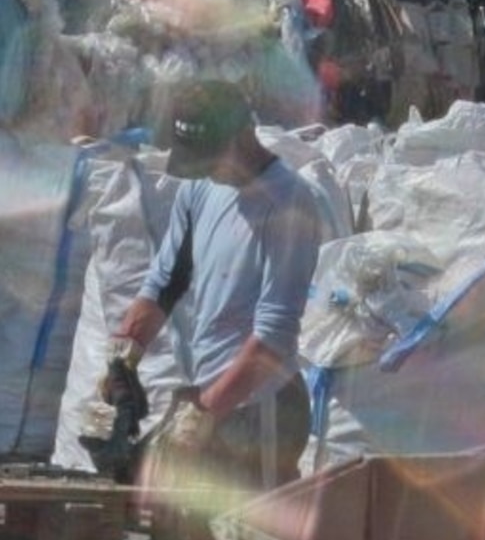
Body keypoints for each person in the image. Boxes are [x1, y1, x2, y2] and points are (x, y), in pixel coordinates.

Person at [99, 80, 327, 512]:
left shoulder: (287, 203)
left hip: (262, 411)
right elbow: (165, 281)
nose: (204, 170)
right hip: (212, 398)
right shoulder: (200, 188)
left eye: (210, 158)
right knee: (184, 529)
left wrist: (200, 415)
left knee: (250, 532)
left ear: (243, 135)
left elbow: (274, 337)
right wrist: (124, 356)